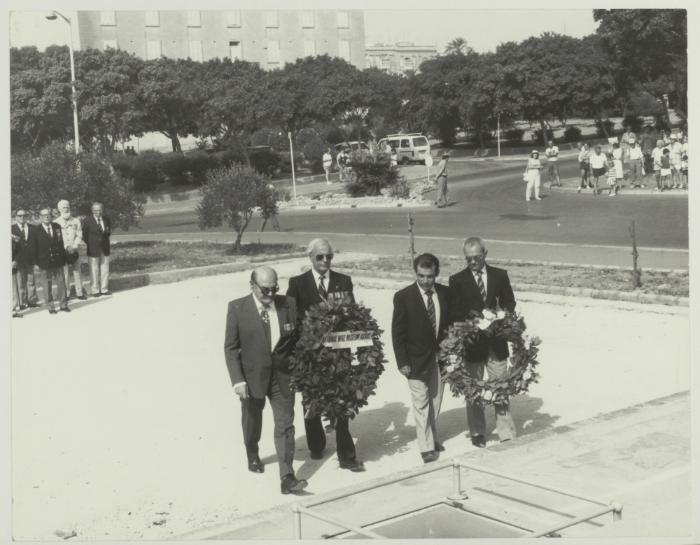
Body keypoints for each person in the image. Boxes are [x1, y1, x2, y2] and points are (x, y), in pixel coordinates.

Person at [223, 266, 308, 495]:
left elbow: (297, 340)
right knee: (252, 421)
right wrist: (237, 381)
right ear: (252, 286)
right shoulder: (237, 308)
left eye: (274, 289)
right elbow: (231, 349)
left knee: (285, 423)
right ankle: (252, 452)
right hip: (251, 378)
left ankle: (287, 476)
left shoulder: (288, 304)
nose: (271, 295)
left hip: (282, 376)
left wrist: (300, 370)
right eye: (265, 290)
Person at [286, 238, 365, 472]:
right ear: (310, 257)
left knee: (341, 400)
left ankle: (347, 456)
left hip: (337, 353)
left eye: (328, 256)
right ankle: (316, 444)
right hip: (310, 354)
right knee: (311, 401)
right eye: (319, 257)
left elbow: (351, 313)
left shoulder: (343, 281)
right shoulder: (298, 284)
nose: (324, 261)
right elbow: (291, 317)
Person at [448, 237, 517, 447]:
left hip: (496, 342)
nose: (473, 263)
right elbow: (455, 312)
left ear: (485, 253)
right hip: (473, 344)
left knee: (500, 386)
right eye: (468, 259)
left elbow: (510, 302)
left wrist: (500, 315)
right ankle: (477, 431)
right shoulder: (457, 280)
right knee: (474, 389)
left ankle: (506, 431)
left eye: (476, 258)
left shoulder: (499, 275)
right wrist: (473, 322)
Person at [392, 253, 449, 464]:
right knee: (421, 402)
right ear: (416, 273)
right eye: (421, 276)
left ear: (436, 274)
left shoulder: (445, 293)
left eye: (430, 276)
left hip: (440, 358)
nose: (425, 281)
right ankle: (426, 448)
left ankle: (432, 438)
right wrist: (402, 362)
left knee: (435, 400)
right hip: (414, 361)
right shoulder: (403, 297)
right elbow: (397, 333)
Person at [34, 208, 69, 314]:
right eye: (44, 215)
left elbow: (61, 243)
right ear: (40, 217)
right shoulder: (36, 230)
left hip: (58, 260)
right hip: (44, 262)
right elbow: (34, 248)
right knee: (46, 284)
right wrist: (36, 263)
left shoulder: (56, 227)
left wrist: (64, 259)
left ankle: (63, 305)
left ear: (51, 216)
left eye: (48, 215)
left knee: (61, 282)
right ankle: (51, 307)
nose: (46, 217)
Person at [54, 199, 86, 300]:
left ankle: (79, 293)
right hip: (63, 251)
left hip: (74, 250)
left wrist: (74, 245)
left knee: (77, 271)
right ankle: (66, 294)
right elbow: (56, 238)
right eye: (64, 207)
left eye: (68, 207)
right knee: (65, 273)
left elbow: (79, 234)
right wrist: (66, 246)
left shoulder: (76, 221)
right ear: (59, 209)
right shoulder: (56, 222)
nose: (66, 209)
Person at [82, 202, 112, 296]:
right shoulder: (87, 220)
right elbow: (84, 235)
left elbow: (108, 231)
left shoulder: (106, 219)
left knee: (105, 268)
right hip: (93, 248)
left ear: (102, 210)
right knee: (93, 269)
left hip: (105, 247)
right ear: (92, 210)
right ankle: (95, 290)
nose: (97, 212)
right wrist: (91, 244)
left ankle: (104, 289)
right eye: (95, 210)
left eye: (99, 210)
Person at [11, 209, 38, 308]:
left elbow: (36, 244)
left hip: (30, 259)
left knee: (31, 281)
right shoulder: (11, 229)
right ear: (15, 217)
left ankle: (32, 301)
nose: (22, 218)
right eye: (19, 216)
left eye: (24, 215)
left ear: (27, 217)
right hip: (19, 260)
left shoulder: (33, 228)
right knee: (20, 282)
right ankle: (22, 302)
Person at [12, 233, 23, 318]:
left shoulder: (12, 237)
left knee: (13, 287)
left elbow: (19, 249)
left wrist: (15, 260)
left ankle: (13, 309)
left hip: (12, 265)